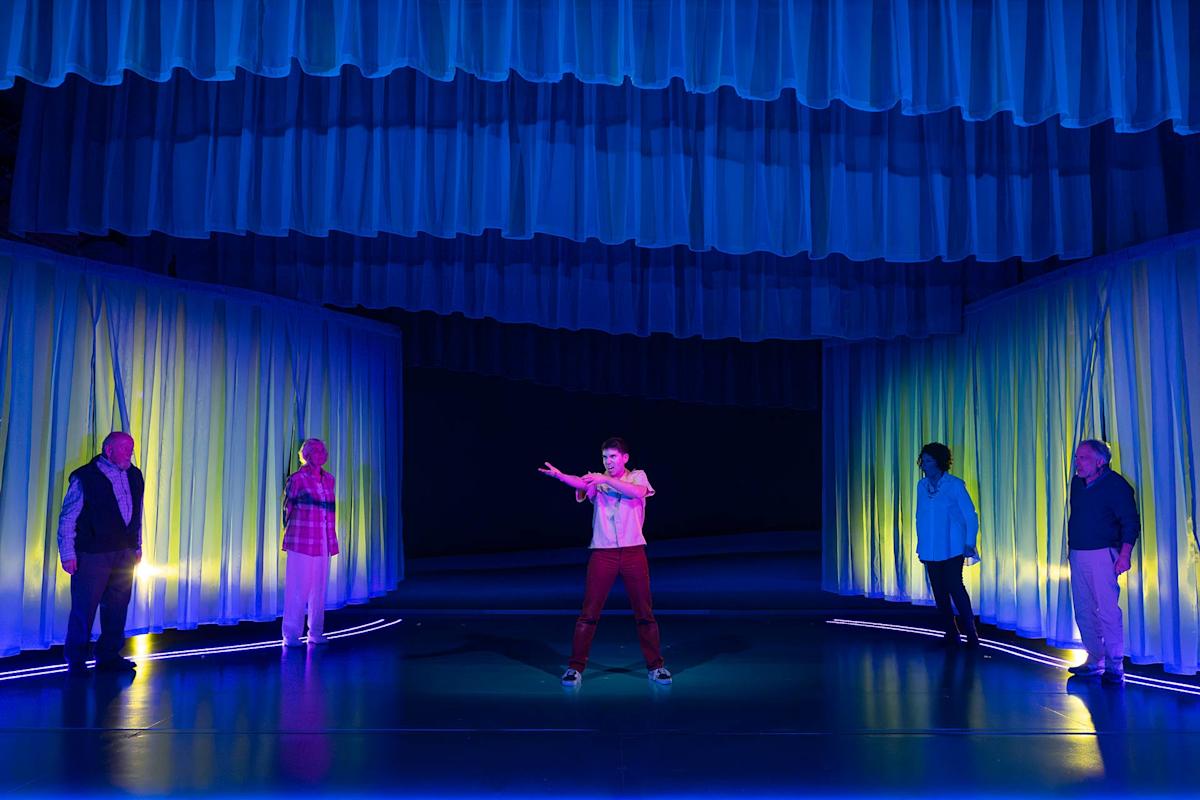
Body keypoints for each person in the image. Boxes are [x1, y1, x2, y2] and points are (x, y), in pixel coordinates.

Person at [539, 437, 671, 687]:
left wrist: (604, 480)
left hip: (633, 552)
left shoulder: (638, 477)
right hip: (603, 553)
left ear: (624, 458)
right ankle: (575, 668)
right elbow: (579, 482)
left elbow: (637, 492)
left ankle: (656, 667)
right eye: (604, 457)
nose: (608, 462)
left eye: (612, 457)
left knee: (645, 612)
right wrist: (560, 476)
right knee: (588, 613)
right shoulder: (597, 480)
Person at [58, 431, 144, 674]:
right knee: (84, 608)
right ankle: (76, 660)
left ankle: (108, 655)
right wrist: (68, 553)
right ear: (109, 450)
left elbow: (136, 516)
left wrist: (137, 547)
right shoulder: (85, 477)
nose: (130, 453)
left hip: (124, 553)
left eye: (131, 448)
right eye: (125, 449)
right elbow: (68, 518)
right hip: (93, 554)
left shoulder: (134, 475)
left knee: (117, 606)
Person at [1067, 439, 1139, 685]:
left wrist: (1124, 554)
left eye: (1083, 458)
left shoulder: (1116, 486)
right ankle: (1094, 657)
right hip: (1079, 553)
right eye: (1077, 457)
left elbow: (1130, 522)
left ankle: (1115, 664)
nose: (1078, 463)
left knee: (1107, 609)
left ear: (1100, 461)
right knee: (1084, 607)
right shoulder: (1077, 484)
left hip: (1103, 553)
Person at [915, 442, 981, 647]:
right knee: (939, 590)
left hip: (952, 547)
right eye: (923, 460)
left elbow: (971, 515)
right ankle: (951, 631)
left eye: (928, 460)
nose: (924, 465)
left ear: (939, 462)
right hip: (931, 548)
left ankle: (971, 632)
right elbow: (921, 517)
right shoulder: (922, 486)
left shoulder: (954, 485)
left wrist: (970, 542)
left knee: (954, 586)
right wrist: (921, 545)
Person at [282, 438, 339, 646]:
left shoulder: (329, 479)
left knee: (319, 589)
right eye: (316, 451)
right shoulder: (297, 479)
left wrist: (332, 540)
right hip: (302, 541)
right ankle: (291, 634)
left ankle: (315, 632)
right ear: (306, 455)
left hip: (323, 540)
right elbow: (287, 508)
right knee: (298, 588)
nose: (321, 454)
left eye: (323, 450)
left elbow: (330, 513)